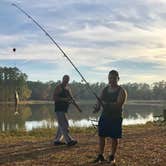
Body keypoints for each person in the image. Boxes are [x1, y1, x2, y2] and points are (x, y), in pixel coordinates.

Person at [93, 70, 127, 163]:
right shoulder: (105, 89)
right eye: (109, 78)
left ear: (118, 79)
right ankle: (100, 155)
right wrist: (97, 107)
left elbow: (118, 104)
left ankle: (112, 156)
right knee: (101, 136)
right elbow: (99, 100)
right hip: (104, 116)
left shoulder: (122, 91)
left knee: (114, 137)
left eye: (113, 78)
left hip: (115, 117)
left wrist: (105, 104)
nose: (111, 80)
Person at [53, 75, 77, 146]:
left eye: (67, 80)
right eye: (65, 79)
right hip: (59, 109)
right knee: (64, 125)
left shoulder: (68, 88)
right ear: (62, 79)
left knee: (61, 125)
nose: (66, 81)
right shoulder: (58, 87)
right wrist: (64, 99)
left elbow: (71, 98)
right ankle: (69, 141)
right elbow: (54, 98)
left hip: (65, 109)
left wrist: (77, 107)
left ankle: (57, 140)